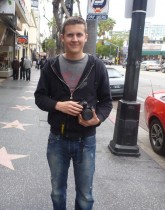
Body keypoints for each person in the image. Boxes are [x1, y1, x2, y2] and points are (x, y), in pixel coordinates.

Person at [34, 16, 112, 210]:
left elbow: (106, 102)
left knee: (85, 195)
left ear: (85, 37)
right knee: (57, 191)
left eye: (79, 34)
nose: (74, 39)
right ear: (62, 37)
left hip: (86, 141)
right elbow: (39, 97)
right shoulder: (50, 66)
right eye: (70, 35)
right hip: (57, 140)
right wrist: (58, 106)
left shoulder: (97, 66)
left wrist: (97, 119)